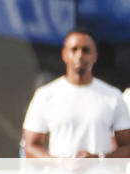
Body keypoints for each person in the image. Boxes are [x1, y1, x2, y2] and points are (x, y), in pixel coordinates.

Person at [22, 28, 130, 158]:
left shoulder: (113, 96)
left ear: (95, 55)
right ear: (64, 54)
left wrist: (98, 159)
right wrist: (59, 163)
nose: (80, 55)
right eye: (74, 50)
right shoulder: (45, 95)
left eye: (86, 50)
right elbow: (30, 147)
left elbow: (127, 147)